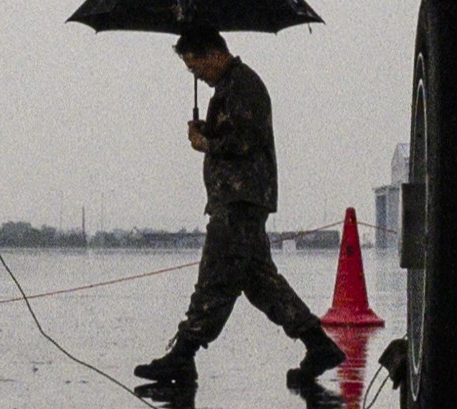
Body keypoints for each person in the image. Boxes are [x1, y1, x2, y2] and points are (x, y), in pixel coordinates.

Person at [136, 28, 345, 388]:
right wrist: (209, 131)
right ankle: (318, 344)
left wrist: (206, 143)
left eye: (195, 66)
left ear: (213, 53)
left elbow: (246, 140)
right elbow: (238, 133)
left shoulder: (242, 86)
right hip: (241, 199)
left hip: (239, 201)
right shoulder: (231, 89)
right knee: (260, 282)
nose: (195, 75)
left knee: (216, 278)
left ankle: (183, 356)